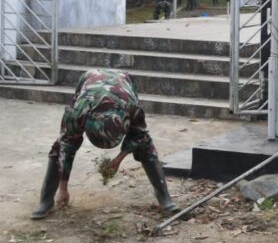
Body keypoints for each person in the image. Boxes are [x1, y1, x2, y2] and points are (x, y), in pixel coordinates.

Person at [30, 69, 179, 219]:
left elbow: (139, 135)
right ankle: (46, 201)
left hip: (123, 80)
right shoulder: (78, 112)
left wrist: (118, 160)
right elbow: (66, 148)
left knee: (146, 145)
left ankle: (165, 200)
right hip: (89, 79)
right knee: (60, 146)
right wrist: (63, 188)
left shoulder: (130, 108)